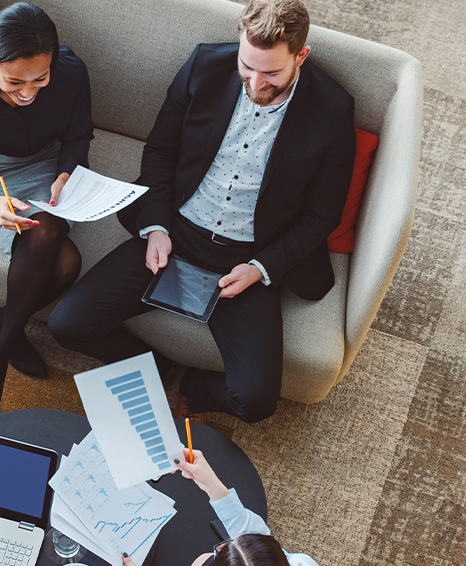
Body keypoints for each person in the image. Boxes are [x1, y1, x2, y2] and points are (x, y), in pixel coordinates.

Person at [48, 0, 356, 423]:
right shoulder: (204, 65)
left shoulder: (333, 109)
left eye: (271, 73)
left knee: (255, 402)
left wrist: (261, 268)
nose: (255, 81)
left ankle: (194, 387)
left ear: (300, 56)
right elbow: (160, 151)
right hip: (176, 232)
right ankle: (153, 362)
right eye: (247, 65)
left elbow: (323, 215)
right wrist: (155, 227)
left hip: (248, 258)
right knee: (67, 324)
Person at [0, 1, 93, 404]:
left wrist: (66, 174)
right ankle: (5, 339)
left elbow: (78, 137)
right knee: (64, 260)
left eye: (39, 80)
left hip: (47, 161)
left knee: (59, 248)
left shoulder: (71, 71)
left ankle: (1, 335)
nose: (28, 93)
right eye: (14, 83)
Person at [112, 450, 331, 566]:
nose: (220, 546)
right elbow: (254, 532)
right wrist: (210, 482)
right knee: (198, 565)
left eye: (223, 549)